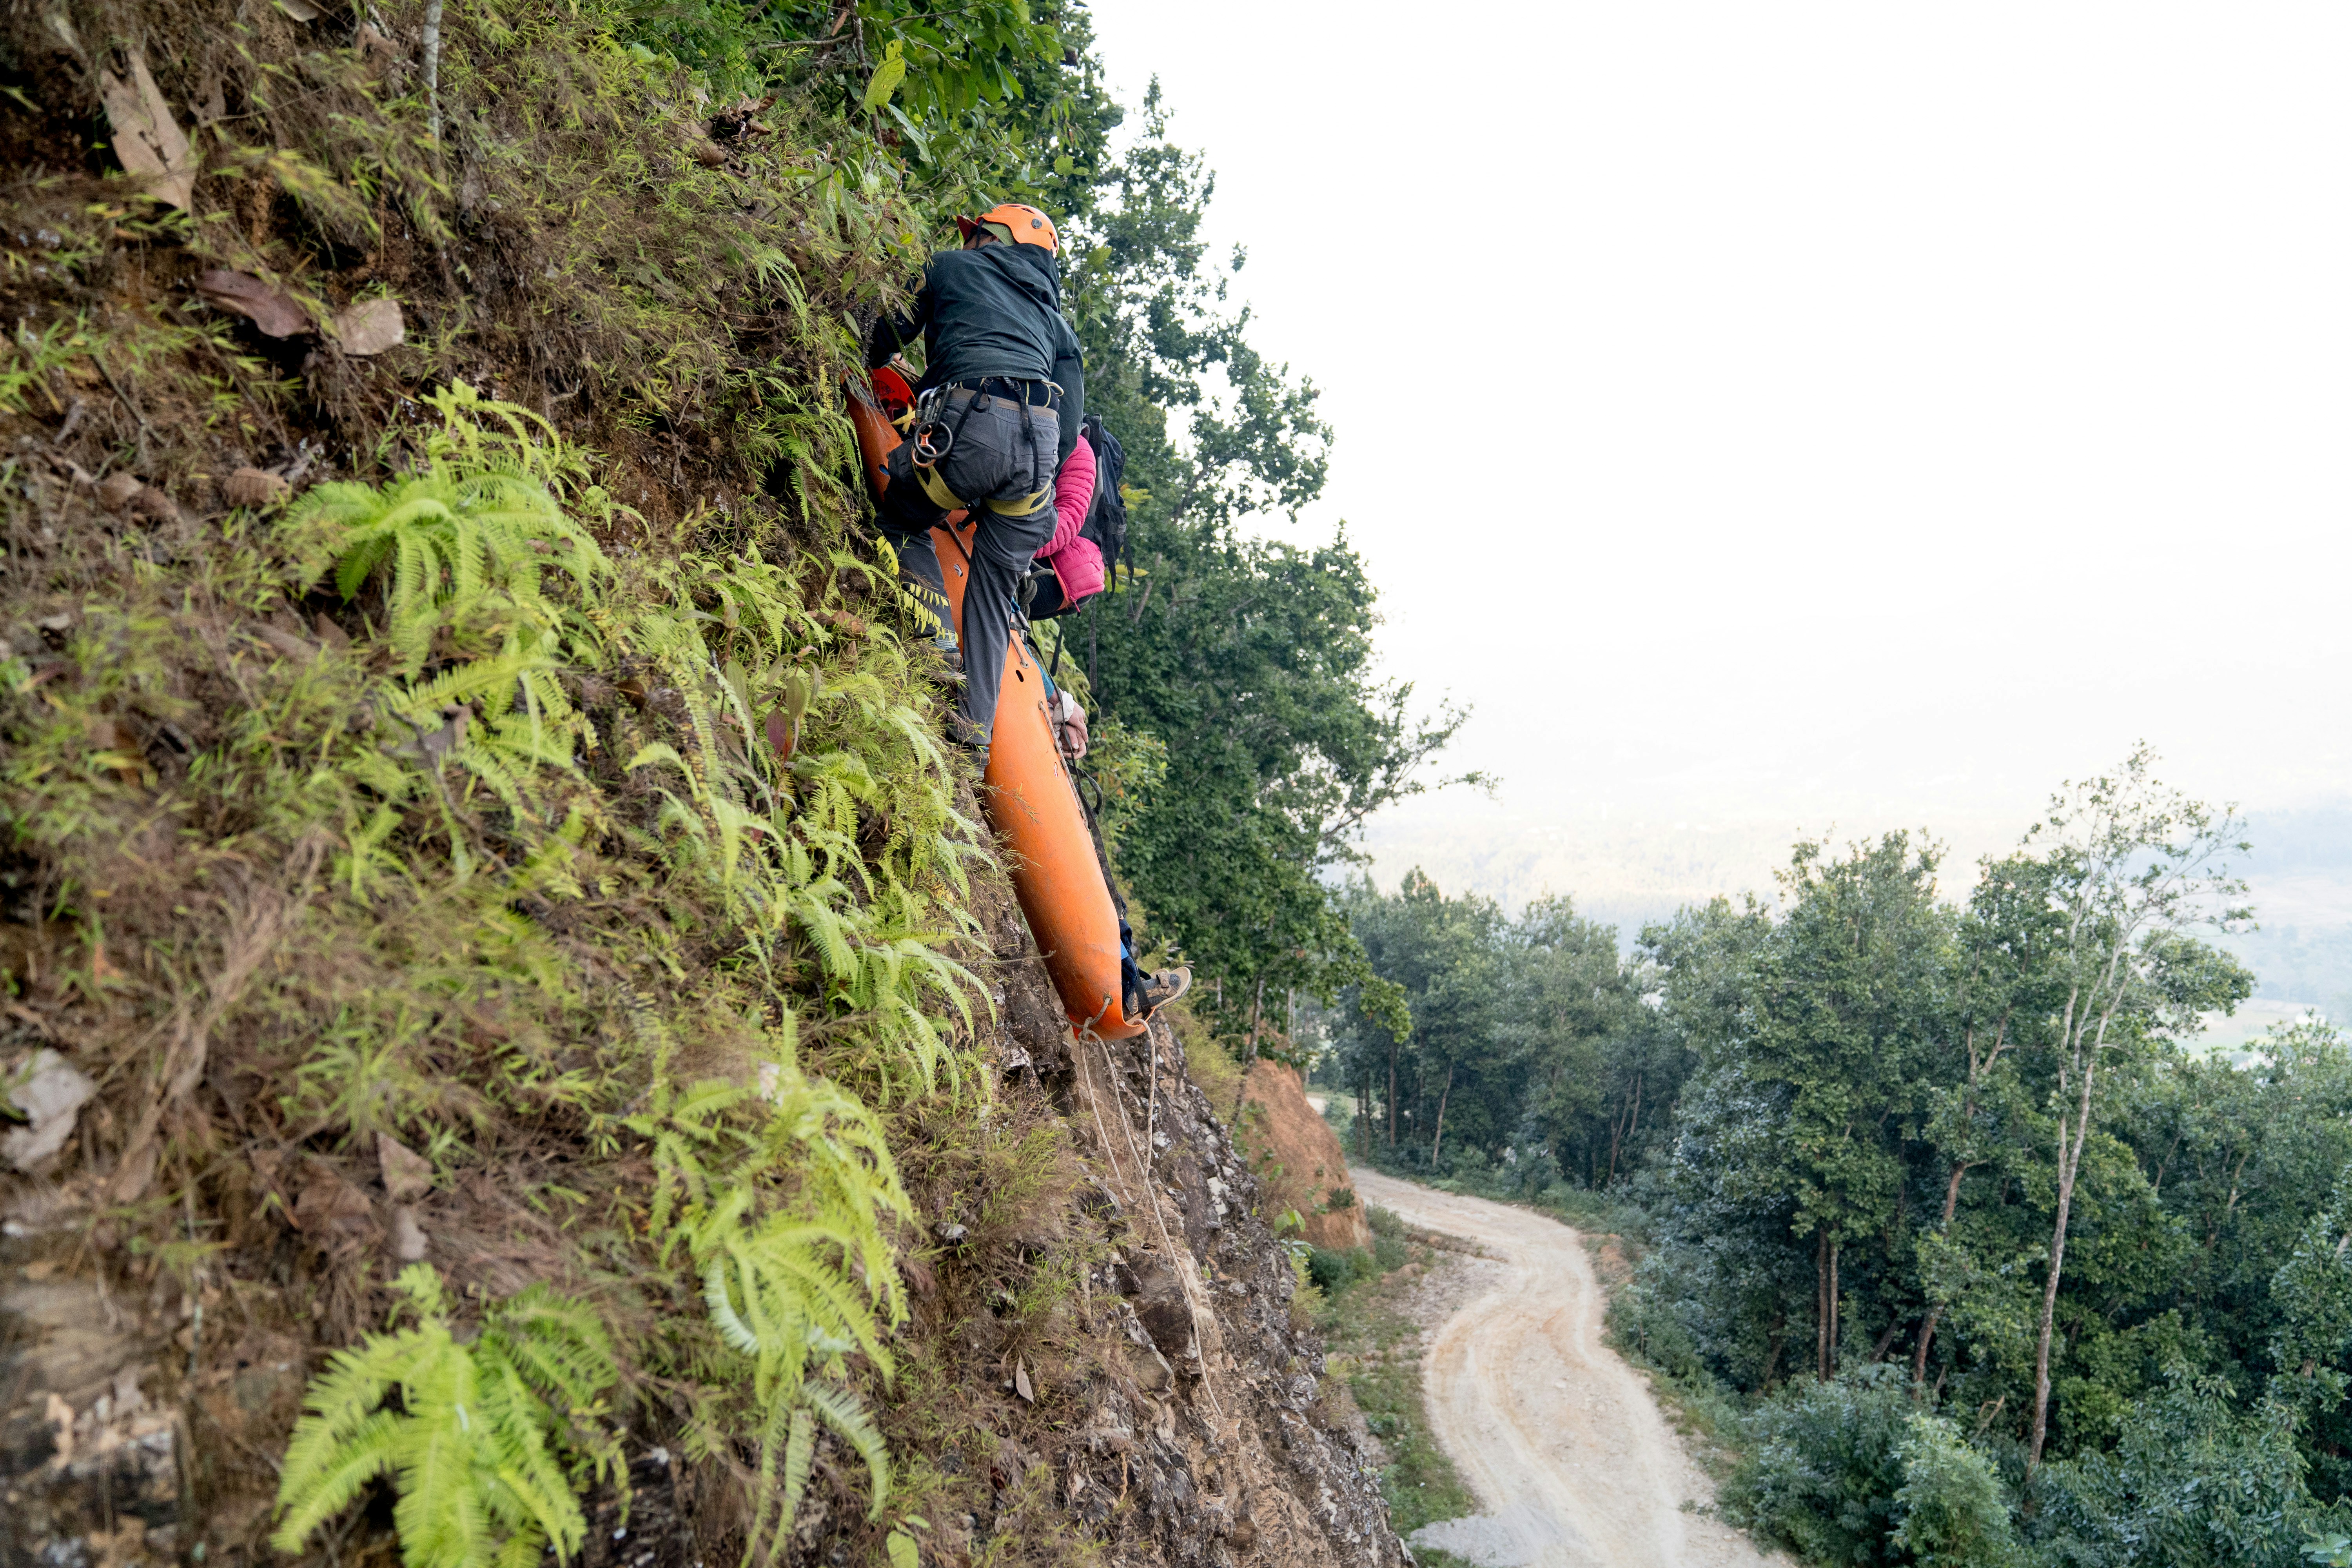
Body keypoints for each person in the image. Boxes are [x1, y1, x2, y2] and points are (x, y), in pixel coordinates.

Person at [865, 202, 1083, 757]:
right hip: (1037, 462)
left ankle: (935, 644)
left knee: (903, 516)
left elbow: (882, 338)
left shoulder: (947, 267)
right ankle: (973, 740)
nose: (967, 244)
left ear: (992, 238)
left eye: (975, 236)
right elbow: (1073, 423)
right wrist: (1015, 481)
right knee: (994, 593)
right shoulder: (1056, 325)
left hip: (974, 423)